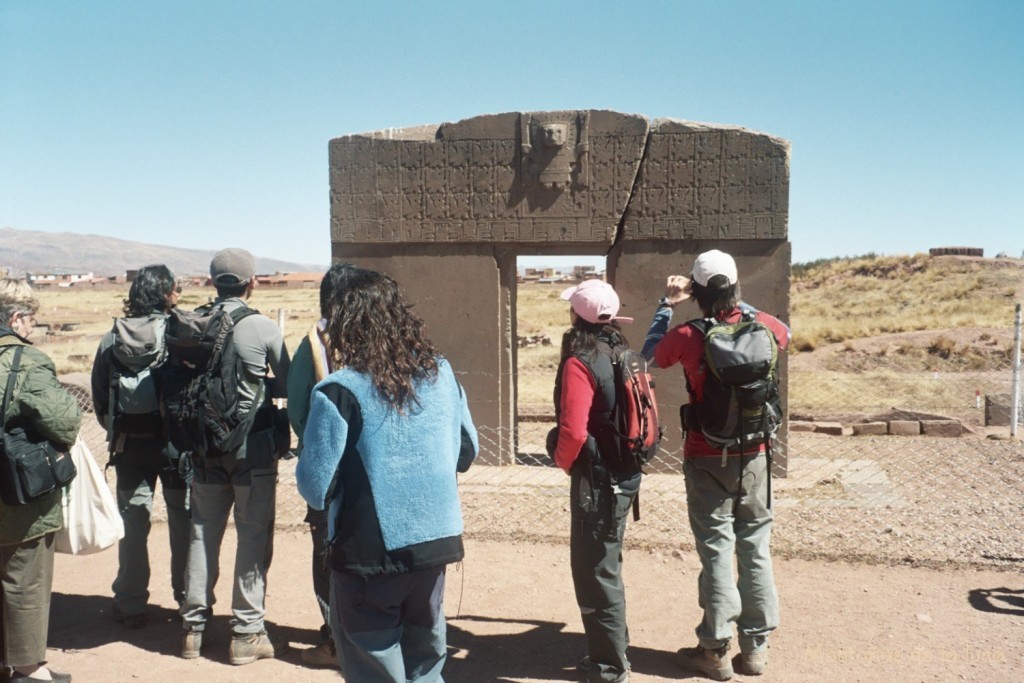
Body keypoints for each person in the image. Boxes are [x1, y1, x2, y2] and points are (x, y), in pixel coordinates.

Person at [295, 269, 477, 682]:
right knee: (426, 661)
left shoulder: (338, 390)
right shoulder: (441, 373)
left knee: (374, 665)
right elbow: (467, 451)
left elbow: (315, 486)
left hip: (368, 557)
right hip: (435, 545)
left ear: (341, 322)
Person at [641, 250, 790, 680]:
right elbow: (788, 334)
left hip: (707, 455)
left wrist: (667, 304)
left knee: (717, 550)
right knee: (755, 547)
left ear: (697, 291)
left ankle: (714, 650)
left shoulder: (689, 335)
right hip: (756, 455)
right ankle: (756, 649)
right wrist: (736, 305)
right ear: (736, 287)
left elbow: (649, 357)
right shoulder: (764, 324)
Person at [179, 248, 291, 665]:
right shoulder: (261, 327)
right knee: (252, 536)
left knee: (202, 534)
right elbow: (286, 386)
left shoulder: (193, 323)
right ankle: (245, 633)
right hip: (252, 451)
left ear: (211, 282)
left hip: (203, 449)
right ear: (252, 282)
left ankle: (192, 630)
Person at [548, 279, 641, 683]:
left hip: (597, 479)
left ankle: (609, 668)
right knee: (607, 564)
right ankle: (615, 651)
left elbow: (572, 432)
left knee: (594, 571)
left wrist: (564, 463)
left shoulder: (580, 361)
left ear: (576, 316)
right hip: (625, 474)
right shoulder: (624, 350)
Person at [90, 265, 189, 629]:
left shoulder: (111, 338)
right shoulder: (178, 332)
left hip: (130, 445)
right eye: (175, 288)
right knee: (183, 523)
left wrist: (118, 429)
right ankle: (187, 603)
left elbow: (101, 397)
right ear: (166, 294)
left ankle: (130, 603)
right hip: (175, 446)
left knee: (133, 524)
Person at [0, 278, 81, 682]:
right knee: (24, 577)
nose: (32, 327)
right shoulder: (27, 361)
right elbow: (64, 422)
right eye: (30, 319)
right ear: (16, 318)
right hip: (18, 496)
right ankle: (29, 670)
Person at [285, 262, 358, 669]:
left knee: (326, 554)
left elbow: (298, 410)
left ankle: (335, 640)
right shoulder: (378, 341)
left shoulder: (312, 344)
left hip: (327, 473)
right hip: (371, 468)